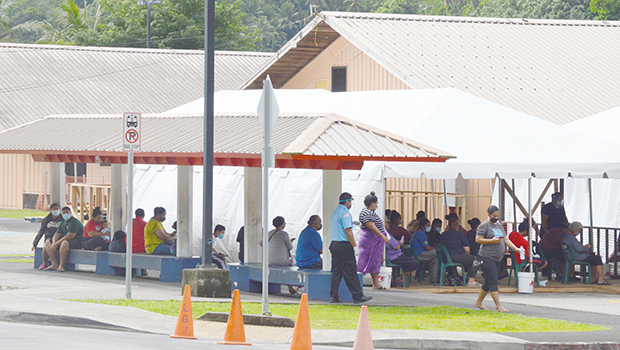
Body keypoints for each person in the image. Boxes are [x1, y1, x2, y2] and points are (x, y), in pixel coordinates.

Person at [474, 205, 519, 312]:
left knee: (489, 281)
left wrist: (515, 248)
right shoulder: (484, 226)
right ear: (489, 215)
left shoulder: (499, 226)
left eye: (497, 216)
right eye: (494, 216)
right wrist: (491, 241)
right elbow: (478, 239)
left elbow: (505, 239)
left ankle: (478, 302)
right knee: (493, 280)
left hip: (497, 258)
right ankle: (499, 306)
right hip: (486, 257)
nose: (496, 218)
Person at [329, 192, 372, 304]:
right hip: (344, 245)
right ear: (347, 201)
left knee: (336, 271)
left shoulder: (334, 212)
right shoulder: (345, 213)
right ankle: (358, 296)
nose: (350, 204)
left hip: (334, 244)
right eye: (350, 201)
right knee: (351, 271)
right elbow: (348, 230)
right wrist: (354, 246)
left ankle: (333, 295)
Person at [357, 191, 391, 289]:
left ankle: (376, 284)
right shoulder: (367, 212)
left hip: (374, 240)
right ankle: (356, 283)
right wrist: (382, 236)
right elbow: (371, 226)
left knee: (375, 261)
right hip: (370, 240)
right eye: (376, 203)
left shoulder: (368, 211)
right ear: (372, 204)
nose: (376, 206)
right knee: (363, 262)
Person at [440, 218, 480, 287]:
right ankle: (471, 280)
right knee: (475, 260)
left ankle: (453, 277)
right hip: (456, 256)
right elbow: (467, 250)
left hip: (444, 258)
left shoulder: (443, 235)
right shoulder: (460, 235)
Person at [43, 206, 84, 272]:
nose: (65, 214)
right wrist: (54, 243)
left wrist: (56, 244)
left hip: (76, 241)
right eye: (64, 213)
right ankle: (54, 264)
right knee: (48, 243)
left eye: (67, 212)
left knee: (64, 243)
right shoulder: (63, 222)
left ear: (70, 213)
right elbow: (57, 234)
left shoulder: (74, 222)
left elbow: (70, 235)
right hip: (65, 239)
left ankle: (62, 265)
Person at [34, 203, 63, 270]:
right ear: (50, 210)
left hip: (59, 238)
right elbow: (41, 231)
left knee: (46, 246)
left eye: (57, 209)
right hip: (49, 237)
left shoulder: (62, 219)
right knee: (47, 244)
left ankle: (53, 264)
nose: (55, 210)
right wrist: (35, 243)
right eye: (54, 209)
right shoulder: (46, 220)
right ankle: (46, 263)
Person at [410, 218, 439, 283]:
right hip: (419, 255)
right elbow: (428, 248)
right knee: (438, 252)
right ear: (422, 227)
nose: (429, 227)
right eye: (427, 225)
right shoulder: (421, 234)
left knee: (435, 260)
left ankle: (433, 278)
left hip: (418, 254)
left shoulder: (418, 233)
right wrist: (435, 249)